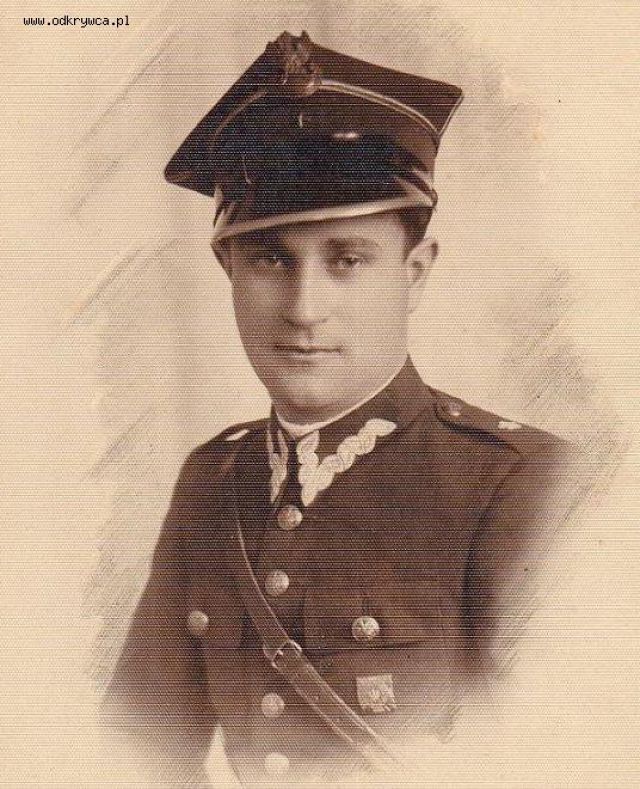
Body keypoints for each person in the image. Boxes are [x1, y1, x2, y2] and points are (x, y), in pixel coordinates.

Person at [101, 31, 578, 788]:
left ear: (414, 274)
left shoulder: (526, 484)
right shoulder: (210, 481)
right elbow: (130, 758)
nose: (303, 308)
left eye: (347, 261)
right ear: (227, 268)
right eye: (270, 258)